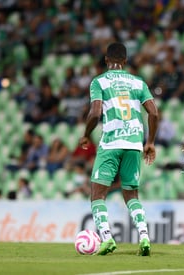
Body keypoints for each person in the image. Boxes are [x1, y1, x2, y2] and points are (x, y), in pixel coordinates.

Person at [79, 42, 158, 256]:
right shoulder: (138, 82)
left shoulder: (99, 82)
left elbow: (95, 113)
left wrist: (86, 134)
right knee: (131, 195)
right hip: (134, 144)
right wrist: (149, 142)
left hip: (111, 143)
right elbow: (154, 113)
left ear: (106, 60)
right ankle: (144, 237)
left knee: (97, 195)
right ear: (125, 61)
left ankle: (107, 238)